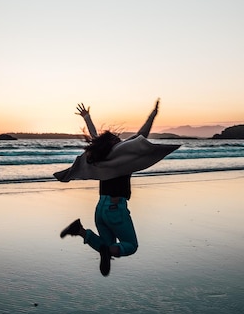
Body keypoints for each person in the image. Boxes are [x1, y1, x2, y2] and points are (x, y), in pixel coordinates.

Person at [55, 100, 180, 277]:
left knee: (105, 243)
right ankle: (104, 250)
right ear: (114, 143)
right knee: (130, 245)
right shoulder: (122, 157)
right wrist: (152, 115)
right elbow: (141, 135)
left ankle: (80, 231)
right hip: (116, 208)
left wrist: (87, 117)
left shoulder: (101, 158)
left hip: (100, 209)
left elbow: (94, 138)